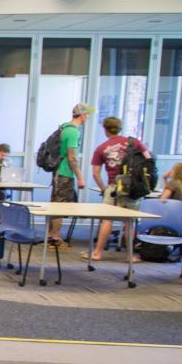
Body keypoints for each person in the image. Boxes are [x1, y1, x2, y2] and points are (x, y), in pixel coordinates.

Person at [86, 116, 151, 261]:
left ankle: (97, 253)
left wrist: (103, 189)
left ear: (105, 129)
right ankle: (129, 255)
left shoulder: (101, 148)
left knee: (107, 220)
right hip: (132, 189)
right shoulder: (135, 143)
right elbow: (149, 162)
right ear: (120, 128)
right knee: (129, 222)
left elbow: (95, 174)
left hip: (114, 187)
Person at [47, 103, 91, 246]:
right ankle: (55, 237)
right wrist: (80, 177)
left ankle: (51, 234)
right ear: (83, 115)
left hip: (57, 172)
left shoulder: (64, 127)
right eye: (87, 114)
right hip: (65, 173)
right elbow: (72, 157)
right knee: (60, 206)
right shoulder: (73, 132)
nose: (88, 117)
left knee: (56, 204)